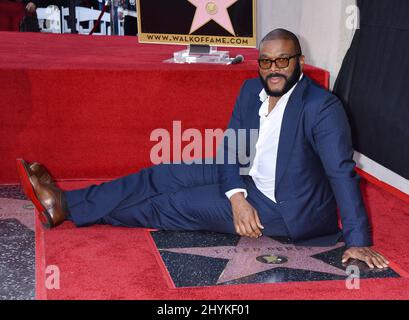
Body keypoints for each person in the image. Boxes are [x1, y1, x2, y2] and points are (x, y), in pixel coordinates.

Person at [17, 28, 389, 269]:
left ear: (299, 63)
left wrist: (358, 240)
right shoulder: (250, 91)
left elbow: (341, 173)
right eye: (266, 61)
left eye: (283, 60)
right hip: (246, 175)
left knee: (171, 204)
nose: (273, 69)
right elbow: (232, 149)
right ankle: (65, 204)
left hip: (282, 206)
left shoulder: (321, 107)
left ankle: (82, 211)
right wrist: (236, 194)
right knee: (161, 174)